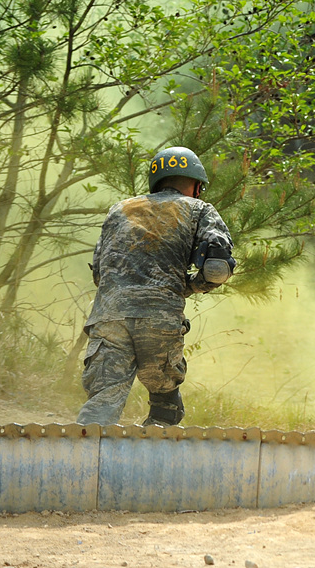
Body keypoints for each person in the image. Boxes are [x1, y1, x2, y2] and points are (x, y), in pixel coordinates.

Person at [76, 146, 236, 427]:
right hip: (159, 318)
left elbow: (100, 273)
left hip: (109, 315)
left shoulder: (120, 209)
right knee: (165, 400)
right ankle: (152, 461)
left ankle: (79, 465)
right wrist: (188, 286)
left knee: (101, 402)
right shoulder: (199, 209)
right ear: (197, 186)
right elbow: (217, 269)